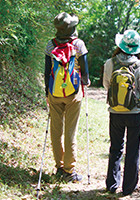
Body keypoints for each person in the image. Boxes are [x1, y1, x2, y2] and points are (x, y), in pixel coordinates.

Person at [44, 12, 90, 183]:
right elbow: (84, 71)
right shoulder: (78, 44)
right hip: (73, 93)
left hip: (54, 92)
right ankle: (69, 171)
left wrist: (47, 93)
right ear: (72, 28)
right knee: (70, 131)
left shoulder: (50, 45)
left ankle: (59, 167)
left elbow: (47, 71)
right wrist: (85, 82)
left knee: (56, 132)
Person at [103, 30, 140, 195]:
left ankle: (112, 184)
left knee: (115, 148)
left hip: (115, 112)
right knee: (133, 149)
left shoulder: (110, 63)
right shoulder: (139, 65)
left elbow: (106, 86)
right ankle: (128, 188)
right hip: (135, 113)